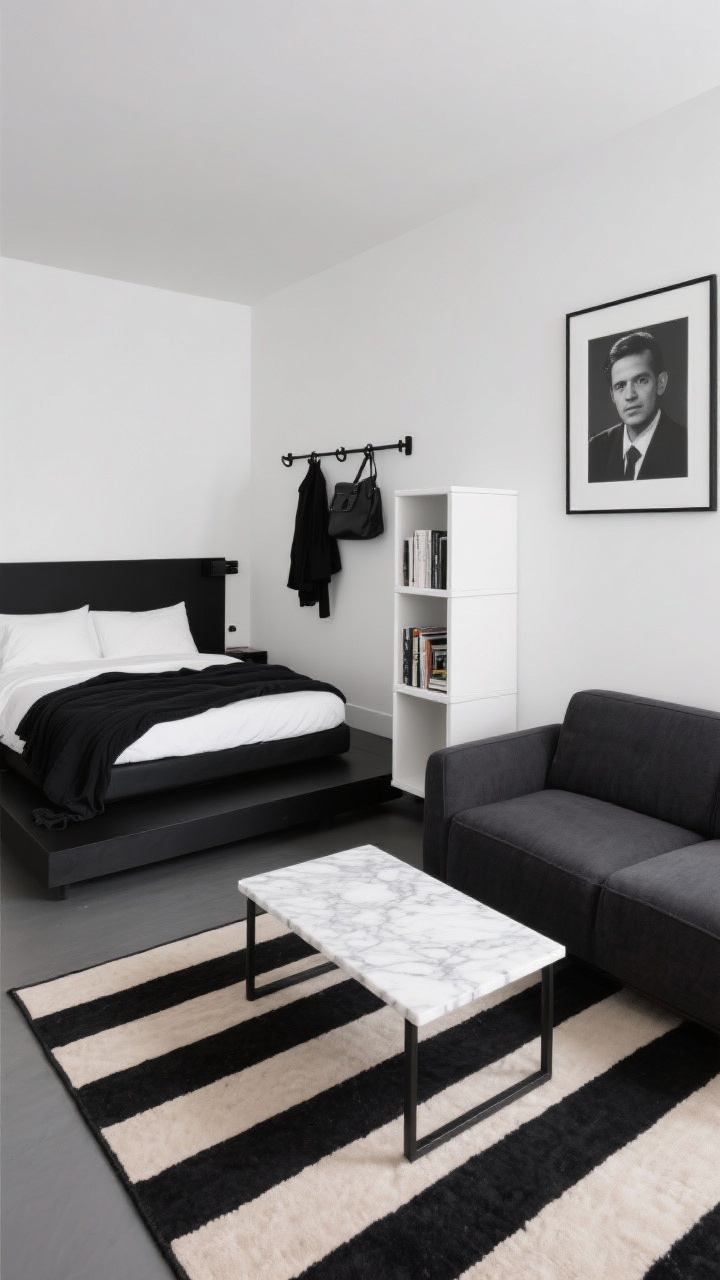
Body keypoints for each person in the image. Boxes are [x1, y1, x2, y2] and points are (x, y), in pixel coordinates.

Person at [588, 330, 687, 482]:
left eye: (641, 380)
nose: (630, 395)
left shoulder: (686, 446)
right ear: (612, 395)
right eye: (620, 386)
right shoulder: (593, 450)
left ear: (661, 383)